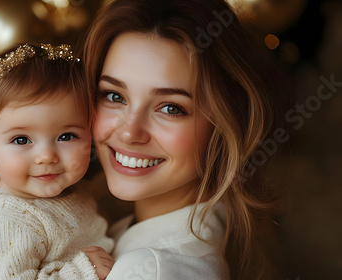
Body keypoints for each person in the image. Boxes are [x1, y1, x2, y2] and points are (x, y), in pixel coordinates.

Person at [84, 0, 285, 279]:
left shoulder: (152, 269)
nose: (130, 133)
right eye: (114, 96)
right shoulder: (211, 225)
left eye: (170, 108)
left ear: (223, 123)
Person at [0, 43, 114, 280]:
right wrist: (81, 272)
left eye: (66, 136)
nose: (47, 156)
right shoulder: (5, 224)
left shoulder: (65, 189)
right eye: (21, 139)